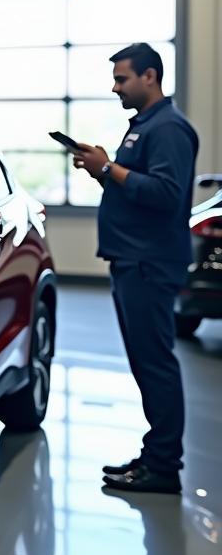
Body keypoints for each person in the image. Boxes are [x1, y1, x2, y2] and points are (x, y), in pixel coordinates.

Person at [71, 42, 197, 494]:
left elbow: (166, 193)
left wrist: (109, 169)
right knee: (146, 363)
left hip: (149, 262)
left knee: (155, 363)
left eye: (122, 78)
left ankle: (164, 467)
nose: (115, 86)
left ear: (150, 76)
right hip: (132, 260)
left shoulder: (168, 129)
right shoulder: (145, 127)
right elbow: (135, 185)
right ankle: (155, 455)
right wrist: (107, 169)